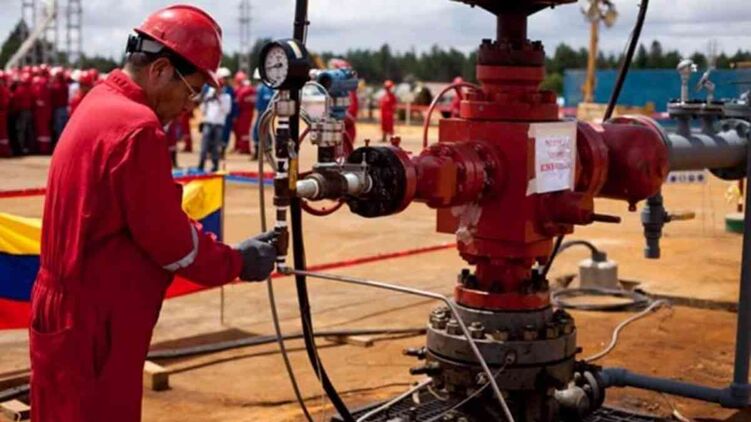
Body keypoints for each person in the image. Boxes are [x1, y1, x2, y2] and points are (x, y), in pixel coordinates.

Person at [29, 5, 277, 422]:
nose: (189, 106)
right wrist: (237, 261)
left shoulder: (99, 102)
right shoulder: (138, 128)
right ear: (161, 70)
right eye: (192, 90)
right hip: (96, 325)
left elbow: (147, 216)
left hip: (65, 312)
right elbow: (170, 241)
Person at [197, 83, 231, 172]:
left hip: (219, 125)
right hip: (208, 122)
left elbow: (227, 110)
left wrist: (219, 100)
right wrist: (206, 101)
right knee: (204, 145)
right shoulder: (209, 94)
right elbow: (202, 109)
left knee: (216, 146)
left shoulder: (226, 97)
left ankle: (215, 166)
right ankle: (201, 165)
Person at [251, 68, 274, 161]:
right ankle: (257, 152)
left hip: (265, 112)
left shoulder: (266, 88)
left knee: (264, 132)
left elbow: (268, 99)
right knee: (257, 131)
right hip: (261, 112)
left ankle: (268, 153)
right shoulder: (261, 88)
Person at [232, 71, 255, 154]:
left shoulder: (243, 90)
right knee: (239, 131)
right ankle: (239, 146)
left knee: (243, 132)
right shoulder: (251, 90)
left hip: (243, 113)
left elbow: (238, 102)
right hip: (246, 113)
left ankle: (244, 148)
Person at [217, 67, 236, 157]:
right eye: (223, 78)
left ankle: (222, 151)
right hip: (217, 116)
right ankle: (214, 151)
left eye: (226, 78)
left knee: (225, 133)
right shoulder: (215, 89)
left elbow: (234, 103)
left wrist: (234, 115)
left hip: (228, 116)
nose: (225, 80)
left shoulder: (231, 90)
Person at [49, 67, 70, 147]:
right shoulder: (66, 85)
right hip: (64, 109)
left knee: (58, 129)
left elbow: (52, 97)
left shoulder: (56, 86)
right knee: (64, 129)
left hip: (58, 109)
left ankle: (60, 146)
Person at [0, 71, 11, 157]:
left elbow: (5, 102)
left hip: (2, 112)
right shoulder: (4, 88)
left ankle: (4, 151)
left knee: (3, 133)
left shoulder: (3, 89)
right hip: (3, 112)